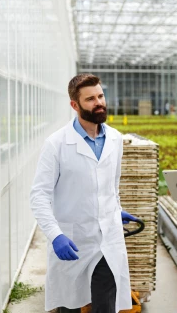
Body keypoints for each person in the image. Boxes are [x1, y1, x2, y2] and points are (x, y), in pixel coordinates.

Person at [30, 74, 136, 313]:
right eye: (90, 99)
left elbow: (111, 187)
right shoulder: (56, 144)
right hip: (73, 241)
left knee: (106, 305)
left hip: (107, 240)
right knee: (70, 306)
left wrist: (115, 211)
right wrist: (55, 235)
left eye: (100, 96)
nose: (99, 102)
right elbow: (39, 195)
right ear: (74, 105)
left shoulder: (116, 139)